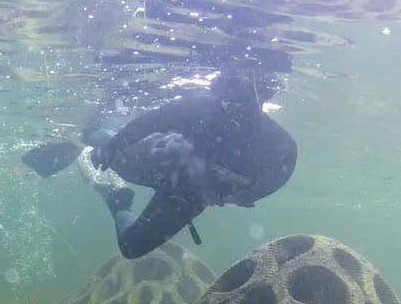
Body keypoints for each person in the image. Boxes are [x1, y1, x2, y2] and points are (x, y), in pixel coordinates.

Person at [22, 69, 297, 259]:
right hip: (153, 160)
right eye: (225, 91)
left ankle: (117, 199)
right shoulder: (198, 108)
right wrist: (112, 147)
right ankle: (91, 135)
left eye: (239, 93)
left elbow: (270, 181)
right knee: (102, 146)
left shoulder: (279, 148)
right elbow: (148, 122)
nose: (228, 103)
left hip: (188, 195)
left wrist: (223, 195)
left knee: (132, 247)